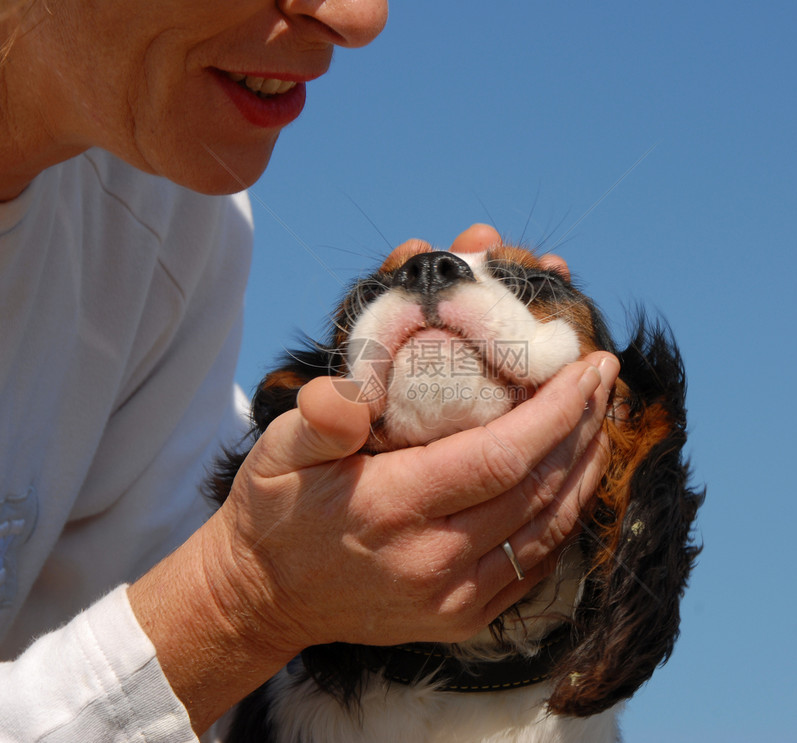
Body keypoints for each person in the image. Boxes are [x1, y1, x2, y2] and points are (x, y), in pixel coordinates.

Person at [0, 1, 620, 740]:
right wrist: (245, 598)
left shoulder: (176, 216)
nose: (357, 17)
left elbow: (127, 628)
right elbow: (195, 619)